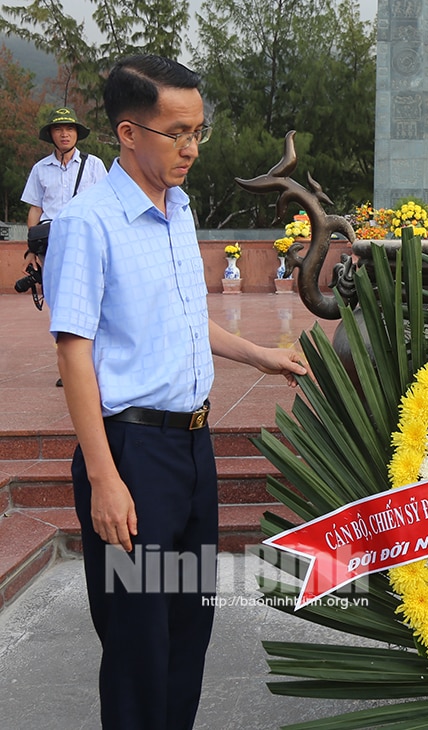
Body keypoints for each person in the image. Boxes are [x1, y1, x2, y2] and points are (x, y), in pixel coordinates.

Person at [42, 55, 307, 730]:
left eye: (198, 131)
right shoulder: (88, 221)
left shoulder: (178, 210)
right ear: (128, 133)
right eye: (176, 131)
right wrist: (104, 477)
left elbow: (186, 316)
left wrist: (261, 356)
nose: (191, 147)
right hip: (132, 453)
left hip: (193, 449)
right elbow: (74, 352)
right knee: (139, 645)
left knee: (189, 631)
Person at [21, 106, 107, 267]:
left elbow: (106, 205)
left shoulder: (94, 165)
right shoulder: (40, 168)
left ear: (77, 133)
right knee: (52, 289)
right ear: (51, 135)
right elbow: (36, 209)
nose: (64, 134)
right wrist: (32, 248)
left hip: (85, 238)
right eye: (58, 129)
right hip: (50, 240)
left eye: (70, 128)